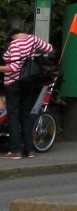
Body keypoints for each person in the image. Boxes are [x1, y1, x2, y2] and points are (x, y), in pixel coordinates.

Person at [1, 16, 53, 159]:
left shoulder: (15, 45)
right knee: (25, 115)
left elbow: (13, 68)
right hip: (29, 82)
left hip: (14, 83)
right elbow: (49, 48)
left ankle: (15, 150)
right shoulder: (32, 39)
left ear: (10, 30)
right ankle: (29, 150)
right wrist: (30, 55)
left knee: (13, 116)